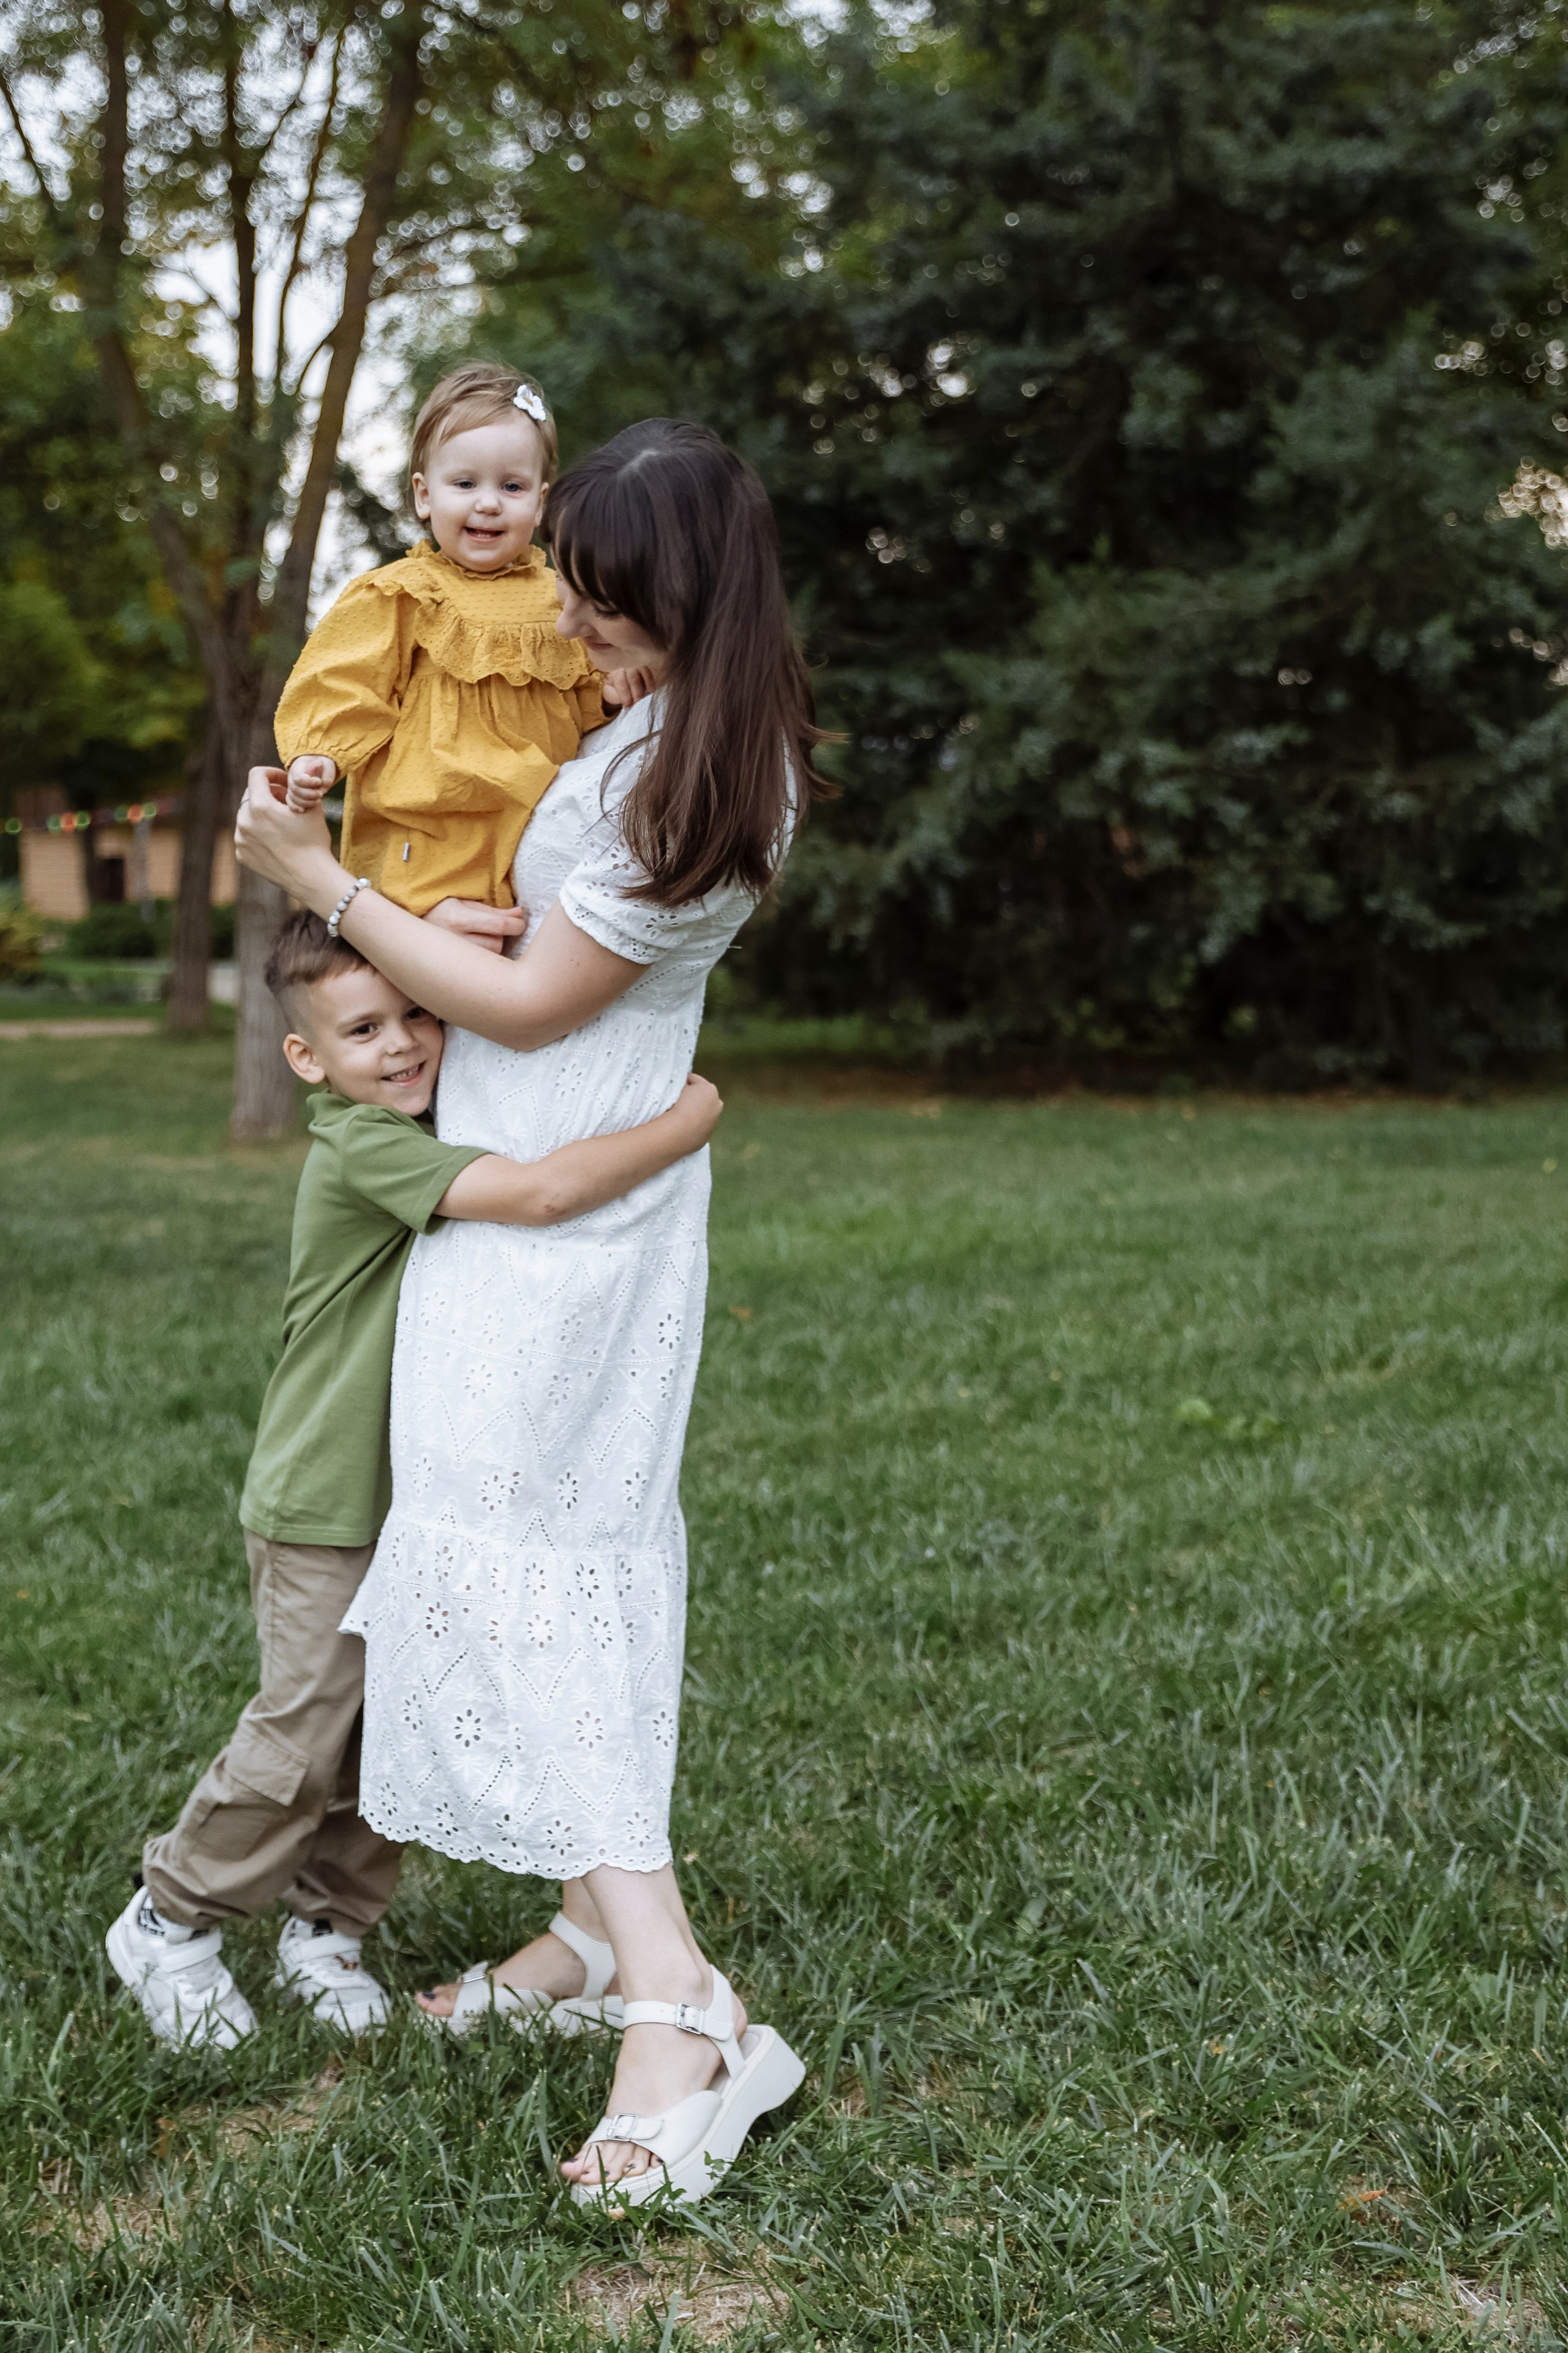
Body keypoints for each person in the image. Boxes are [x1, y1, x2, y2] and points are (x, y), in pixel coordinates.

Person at [235, 417, 832, 2210]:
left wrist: (326, 891)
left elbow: (527, 1003)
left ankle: (685, 2008)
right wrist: (493, 909)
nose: (561, 616)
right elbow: (566, 944)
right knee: (524, 1548)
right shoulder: (671, 738)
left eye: (593, 595)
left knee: (537, 1574)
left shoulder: (693, 772)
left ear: (674, 596)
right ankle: (582, 1936)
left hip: (561, 1227)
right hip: (545, 1199)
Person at [105, 908, 722, 2051]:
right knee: (302, 1732)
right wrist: (690, 1116)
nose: (399, 1044)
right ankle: (172, 1916)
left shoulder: (445, 1112)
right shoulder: (360, 1141)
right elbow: (540, 1195)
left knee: (385, 1729)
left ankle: (326, 1928)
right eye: (362, 1028)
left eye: (415, 1014)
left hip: (429, 1497)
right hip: (327, 1499)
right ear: (308, 1060)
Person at [273, 361, 650, 918]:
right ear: (425, 496)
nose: (489, 502)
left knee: (505, 953)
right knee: (422, 957)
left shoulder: (562, 598)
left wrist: (610, 694)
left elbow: (582, 690)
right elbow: (345, 676)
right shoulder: (404, 594)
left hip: (532, 823)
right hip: (429, 827)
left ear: (542, 502)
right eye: (466, 483)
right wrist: (319, 754)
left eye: (512, 486)